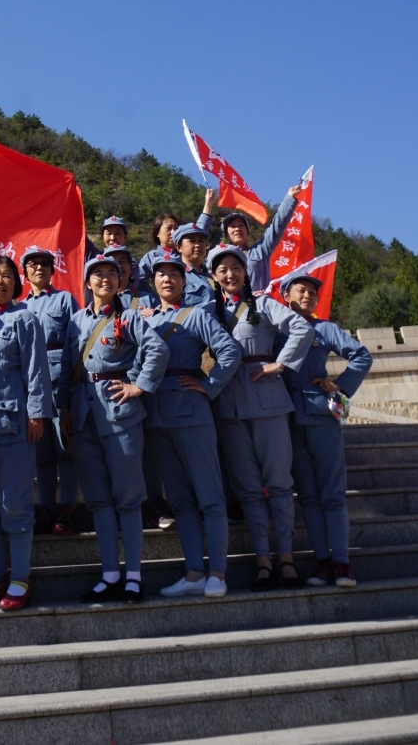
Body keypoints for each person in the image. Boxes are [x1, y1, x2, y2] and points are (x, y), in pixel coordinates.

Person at [60, 254, 169, 602]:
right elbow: (66, 368)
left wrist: (138, 386)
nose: (106, 279)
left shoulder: (129, 318)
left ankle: (133, 575)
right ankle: (109, 574)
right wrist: (63, 409)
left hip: (119, 413)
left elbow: (157, 348)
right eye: (98, 274)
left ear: (121, 282)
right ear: (88, 282)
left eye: (113, 274)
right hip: (83, 415)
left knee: (128, 497)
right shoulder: (76, 321)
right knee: (98, 500)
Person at [207, 242, 315, 590]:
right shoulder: (207, 311)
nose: (230, 274)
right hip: (229, 407)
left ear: (245, 271)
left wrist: (279, 364)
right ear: (214, 276)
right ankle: (263, 561)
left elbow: (302, 328)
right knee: (249, 489)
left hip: (268, 401)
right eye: (222, 269)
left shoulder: (264, 303)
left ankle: (286, 558)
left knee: (280, 484)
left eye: (235, 267)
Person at [143, 250, 241, 598]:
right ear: (153, 283)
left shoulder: (197, 315)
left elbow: (229, 351)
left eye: (174, 274)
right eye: (161, 275)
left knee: (209, 496)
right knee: (181, 500)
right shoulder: (146, 319)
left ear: (184, 282)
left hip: (191, 410)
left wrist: (210, 386)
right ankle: (194, 572)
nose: (167, 279)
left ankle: (218, 571)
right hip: (157, 413)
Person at [276, 268, 372, 589]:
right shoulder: (275, 331)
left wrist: (340, 386)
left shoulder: (324, 329)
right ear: (285, 296)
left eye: (312, 293)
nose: (307, 295)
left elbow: (361, 355)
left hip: (321, 418)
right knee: (308, 497)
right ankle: (322, 563)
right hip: (287, 421)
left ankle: (342, 564)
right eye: (300, 290)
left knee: (332, 494)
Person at [0, 254, 51, 611]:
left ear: (16, 284)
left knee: (14, 504)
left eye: (6, 276)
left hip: (13, 425)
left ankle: (19, 577)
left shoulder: (25, 319)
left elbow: (36, 371)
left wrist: (37, 414)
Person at [20, 244, 80, 536]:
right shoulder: (19, 307)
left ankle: (68, 509)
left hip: (60, 388)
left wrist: (69, 395)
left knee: (65, 452)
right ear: (25, 271)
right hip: (32, 391)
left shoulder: (65, 300)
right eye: (32, 264)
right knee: (42, 456)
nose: (39, 268)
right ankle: (45, 508)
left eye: (44, 263)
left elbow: (76, 347)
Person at [201, 184, 304, 293]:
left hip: (259, 307)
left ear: (247, 231)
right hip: (232, 308)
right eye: (232, 226)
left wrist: (290, 198)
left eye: (241, 225)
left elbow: (278, 225)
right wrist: (208, 205)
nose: (237, 229)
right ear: (226, 234)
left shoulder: (260, 250)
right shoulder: (218, 256)